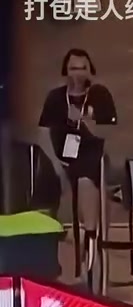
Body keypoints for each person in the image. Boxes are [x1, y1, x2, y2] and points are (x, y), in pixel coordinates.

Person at [37, 49, 117, 254]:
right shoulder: (55, 97)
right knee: (42, 183)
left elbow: (108, 133)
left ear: (90, 71)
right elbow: (43, 133)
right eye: (73, 68)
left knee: (85, 177)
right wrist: (55, 165)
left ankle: (90, 237)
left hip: (91, 154)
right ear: (66, 70)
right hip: (60, 156)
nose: (78, 73)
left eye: (83, 68)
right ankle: (56, 239)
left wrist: (85, 121)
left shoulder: (99, 95)